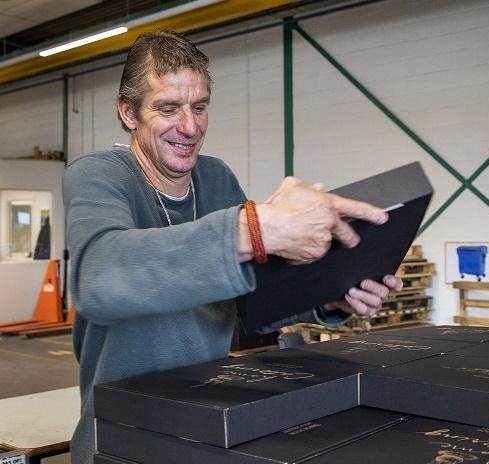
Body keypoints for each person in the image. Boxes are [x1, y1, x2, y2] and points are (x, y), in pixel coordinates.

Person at [63, 31, 402, 464]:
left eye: (199, 107)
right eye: (168, 108)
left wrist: (330, 295)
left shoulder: (217, 178)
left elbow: (253, 299)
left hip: (205, 422)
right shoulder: (99, 176)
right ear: (129, 113)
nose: (190, 127)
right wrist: (254, 228)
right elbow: (100, 276)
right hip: (119, 434)